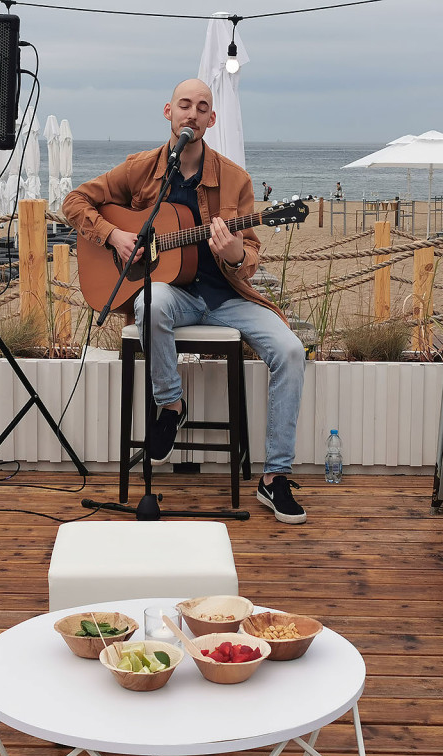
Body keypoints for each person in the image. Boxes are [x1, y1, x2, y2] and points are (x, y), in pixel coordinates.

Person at [63, 78, 307, 524]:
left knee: (291, 351)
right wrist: (115, 235)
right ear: (168, 112)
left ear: (211, 120)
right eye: (184, 105)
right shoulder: (141, 168)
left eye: (202, 107)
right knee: (149, 304)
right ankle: (171, 405)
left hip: (226, 296)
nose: (192, 114)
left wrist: (234, 254)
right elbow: (75, 201)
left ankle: (275, 478)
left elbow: (250, 253)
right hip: (173, 294)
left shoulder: (235, 180)